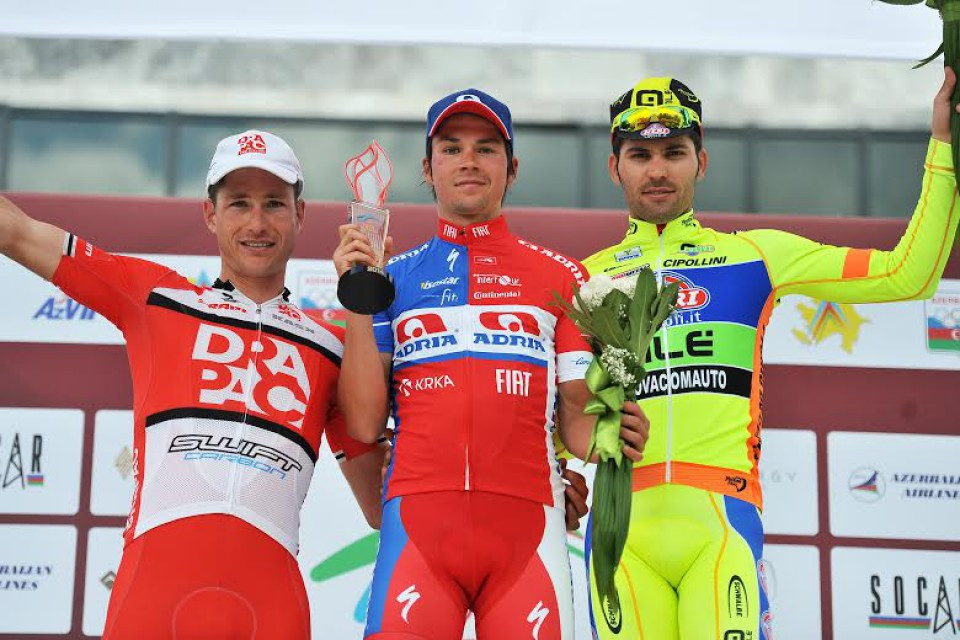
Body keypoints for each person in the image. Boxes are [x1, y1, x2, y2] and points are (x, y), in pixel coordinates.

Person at [581, 72, 960, 640]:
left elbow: (909, 273)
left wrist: (944, 145)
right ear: (615, 168)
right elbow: (556, 412)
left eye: (674, 153)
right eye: (640, 155)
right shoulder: (585, 279)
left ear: (701, 162)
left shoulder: (757, 255)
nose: (657, 170)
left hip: (721, 520)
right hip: (620, 530)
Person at [0, 129, 389, 639]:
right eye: (239, 203)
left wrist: (362, 297)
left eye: (274, 203)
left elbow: (380, 504)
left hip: (270, 609)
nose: (257, 222)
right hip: (152, 600)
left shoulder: (330, 348)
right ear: (210, 214)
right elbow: (17, 233)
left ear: (299, 215)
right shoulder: (157, 298)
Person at [334, 88, 650, 640]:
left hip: (527, 529)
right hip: (418, 528)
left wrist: (612, 432)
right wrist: (359, 298)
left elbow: (577, 423)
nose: (469, 161)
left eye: (486, 148)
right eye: (451, 148)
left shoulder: (562, 278)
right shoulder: (391, 280)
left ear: (512, 168)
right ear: (428, 169)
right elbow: (362, 424)